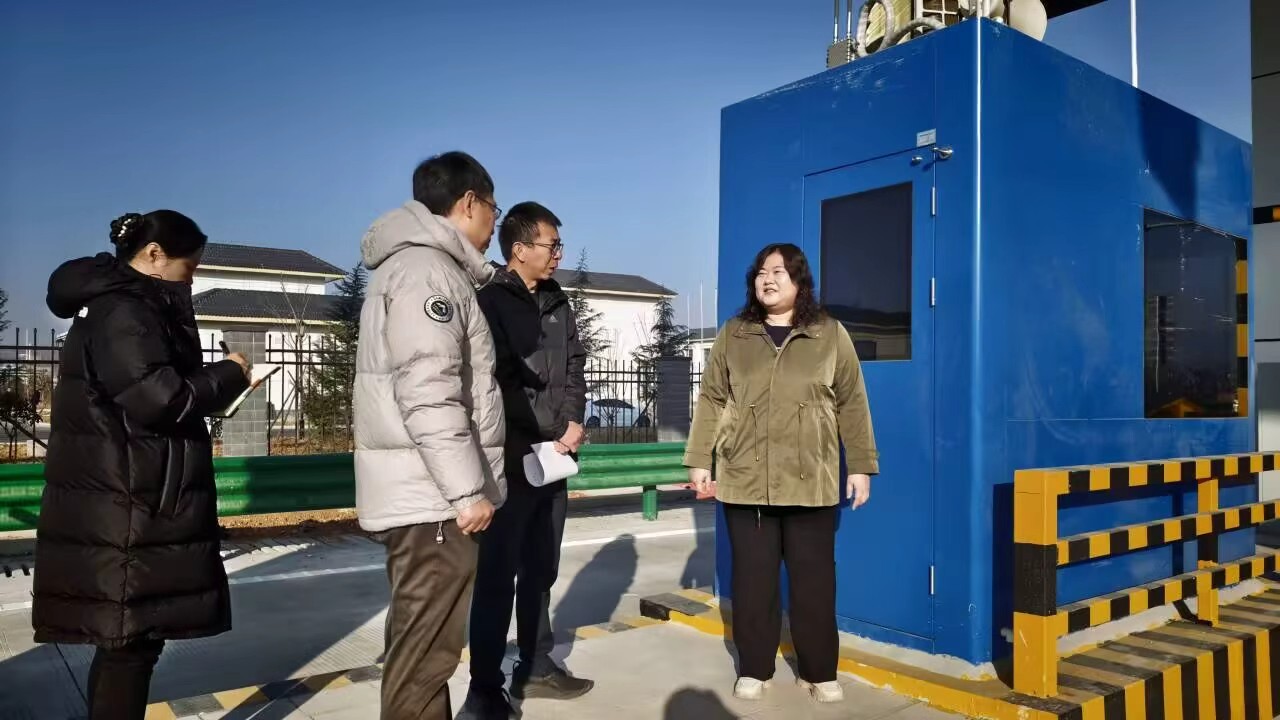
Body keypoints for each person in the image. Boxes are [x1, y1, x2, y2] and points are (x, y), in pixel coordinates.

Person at [33, 211, 252, 720]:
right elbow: (159, 398)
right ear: (154, 255)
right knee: (128, 646)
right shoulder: (126, 310)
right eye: (188, 266)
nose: (192, 277)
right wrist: (230, 372)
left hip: (132, 490)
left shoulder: (128, 305)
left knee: (126, 644)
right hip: (130, 499)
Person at [683, 243, 878, 704]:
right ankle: (755, 667)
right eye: (760, 273)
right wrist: (700, 459)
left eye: (778, 272)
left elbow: (852, 402)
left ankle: (819, 671)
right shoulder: (735, 334)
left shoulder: (829, 334)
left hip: (811, 480)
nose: (767, 280)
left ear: (799, 282)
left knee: (814, 584)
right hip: (746, 480)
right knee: (753, 583)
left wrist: (861, 466)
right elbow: (712, 398)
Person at [352, 150, 508, 720]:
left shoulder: (414, 266)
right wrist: (466, 492)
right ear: (469, 203)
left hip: (424, 495)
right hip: (434, 502)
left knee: (419, 647)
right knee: (424, 657)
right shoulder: (428, 271)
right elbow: (428, 389)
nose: (493, 222)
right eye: (493, 209)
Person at [459, 201, 590, 720]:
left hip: (553, 459)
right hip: (510, 462)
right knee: (497, 577)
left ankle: (536, 665)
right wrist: (544, 431)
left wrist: (573, 420)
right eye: (550, 245)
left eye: (558, 245)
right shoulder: (489, 301)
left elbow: (576, 366)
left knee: (541, 569)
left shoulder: (558, 301)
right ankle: (484, 688)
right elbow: (493, 380)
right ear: (519, 249)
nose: (558, 254)